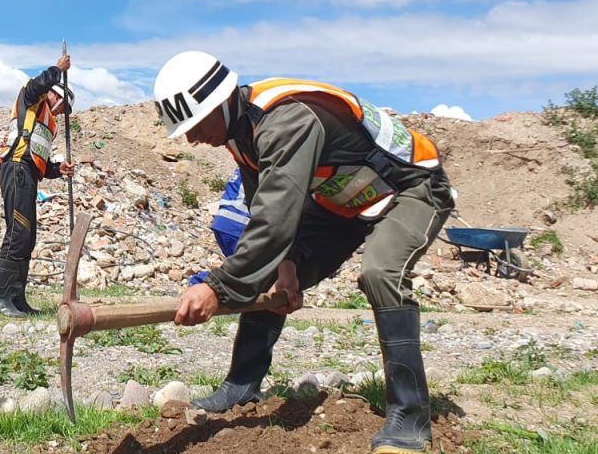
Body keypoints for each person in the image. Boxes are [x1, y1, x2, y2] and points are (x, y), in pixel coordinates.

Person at [157, 52, 454, 454]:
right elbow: (265, 207)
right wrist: (288, 267)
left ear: (221, 102)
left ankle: (410, 415)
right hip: (345, 203)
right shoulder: (241, 138)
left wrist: (218, 288)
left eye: (194, 125)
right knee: (262, 276)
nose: (190, 138)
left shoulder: (287, 119)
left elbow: (274, 223)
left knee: (381, 273)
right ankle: (241, 385)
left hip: (409, 188)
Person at [0, 57, 76, 317]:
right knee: (17, 232)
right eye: (62, 108)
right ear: (55, 96)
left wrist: (57, 169)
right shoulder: (31, 99)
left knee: (27, 237)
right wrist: (58, 70)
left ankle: (17, 299)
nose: (61, 114)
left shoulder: (47, 124)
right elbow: (38, 83)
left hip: (28, 173)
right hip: (15, 168)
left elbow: (40, 160)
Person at [186, 168, 248, 286]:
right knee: (250, 274)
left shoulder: (247, 161)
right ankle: (202, 286)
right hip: (239, 226)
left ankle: (199, 286)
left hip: (224, 223)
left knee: (240, 272)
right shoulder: (266, 164)